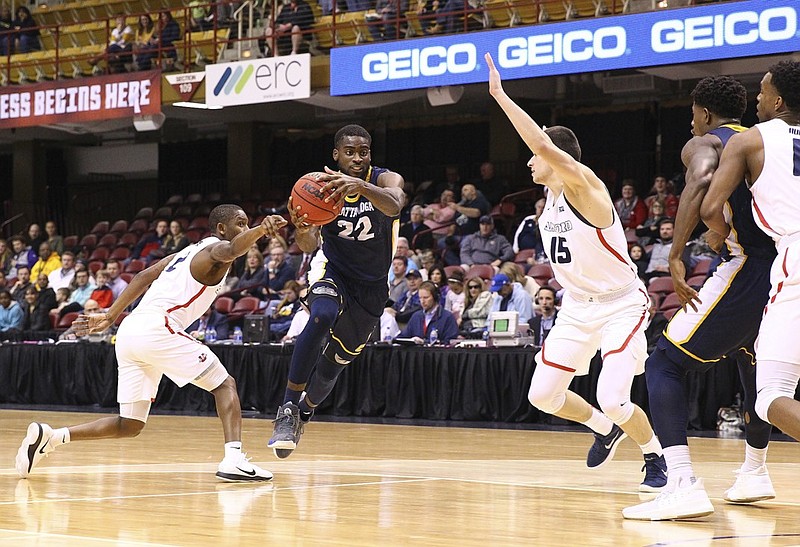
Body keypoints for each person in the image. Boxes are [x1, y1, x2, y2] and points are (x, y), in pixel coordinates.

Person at [486, 53, 666, 492]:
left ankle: (656, 457)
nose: (530, 159)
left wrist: (500, 96)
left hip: (621, 304)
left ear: (559, 157)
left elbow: (545, 147)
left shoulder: (588, 190)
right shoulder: (546, 204)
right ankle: (604, 428)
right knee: (542, 395)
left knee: (614, 394)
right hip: (577, 309)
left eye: (537, 152)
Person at [15, 205, 286, 482]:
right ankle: (234, 459)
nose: (244, 229)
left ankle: (51, 437)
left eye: (247, 224)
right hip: (159, 327)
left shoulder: (187, 251)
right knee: (224, 384)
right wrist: (261, 230)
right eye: (240, 224)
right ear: (221, 229)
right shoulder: (215, 250)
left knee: (130, 424)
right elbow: (233, 249)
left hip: (131, 330)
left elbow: (144, 276)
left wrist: (110, 316)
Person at [624, 75, 778, 521]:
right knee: (753, 362)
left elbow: (702, 177)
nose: (691, 122)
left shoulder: (706, 141)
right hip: (787, 268)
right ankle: (754, 471)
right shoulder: (763, 139)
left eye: (692, 113)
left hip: (748, 266)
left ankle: (682, 482)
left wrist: (676, 254)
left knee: (664, 363)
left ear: (704, 113)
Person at [268, 124, 404, 459]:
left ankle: (305, 412)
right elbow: (308, 244)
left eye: (363, 151)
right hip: (334, 272)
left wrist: (361, 186)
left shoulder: (386, 180)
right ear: (336, 155)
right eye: (350, 152)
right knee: (321, 315)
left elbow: (395, 205)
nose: (357, 158)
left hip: (372, 287)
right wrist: (302, 226)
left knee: (334, 365)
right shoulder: (320, 188)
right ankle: (286, 409)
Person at [701, 61, 800, 482]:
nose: (756, 99)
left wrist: (718, 235)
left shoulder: (750, 141)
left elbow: (709, 207)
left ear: (777, 101)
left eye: (761, 91)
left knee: (771, 394)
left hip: (793, 252)